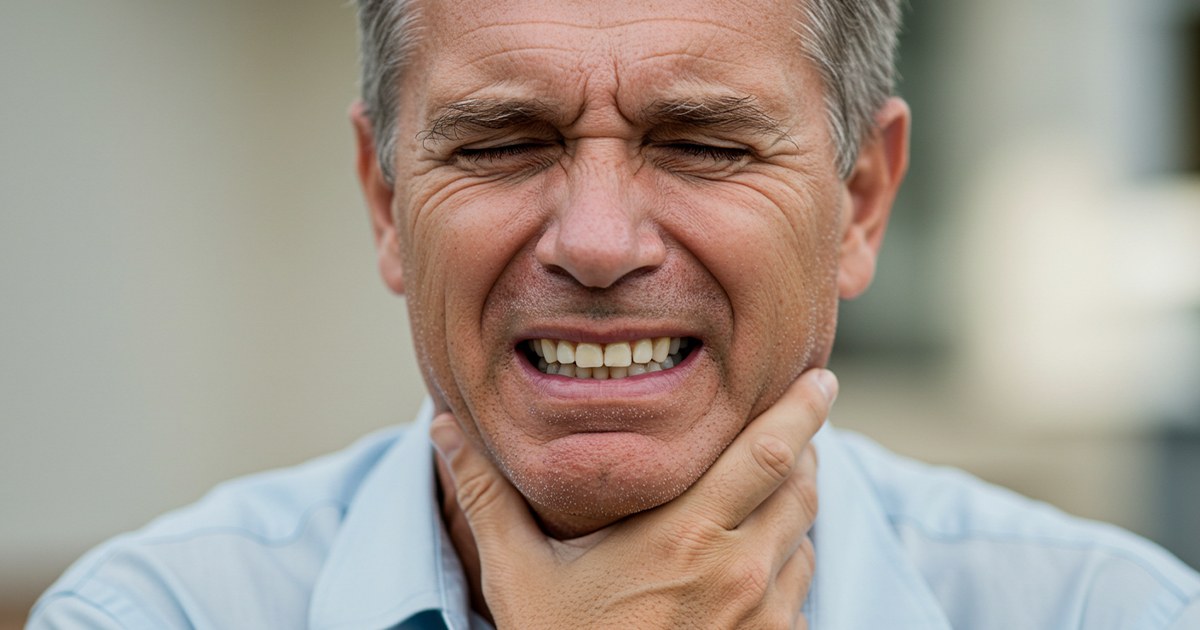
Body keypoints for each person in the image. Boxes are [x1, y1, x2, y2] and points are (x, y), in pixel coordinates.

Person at [29, 0, 1200, 628]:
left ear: (860, 201)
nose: (595, 243)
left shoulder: (1106, 615)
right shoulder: (154, 615)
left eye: (703, 144)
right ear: (387, 198)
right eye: (500, 143)